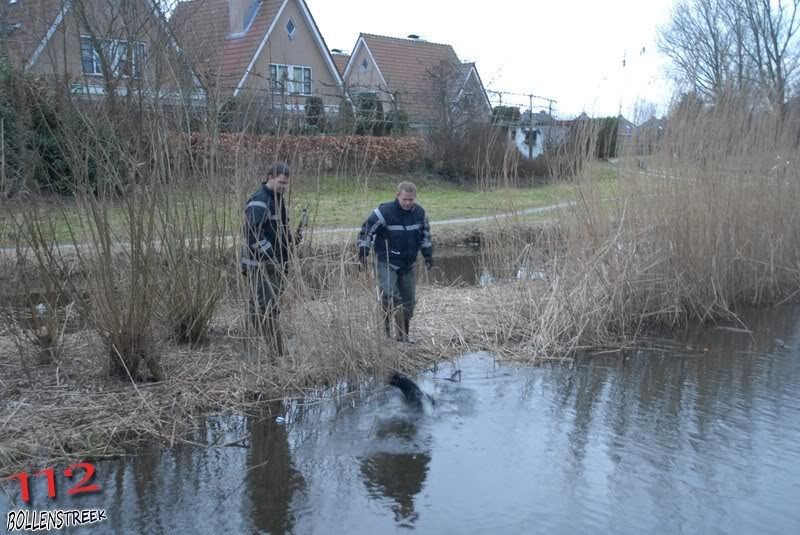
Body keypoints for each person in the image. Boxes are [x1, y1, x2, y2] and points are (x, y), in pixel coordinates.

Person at [241, 162, 304, 358]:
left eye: (286, 184)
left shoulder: (277, 199)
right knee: (263, 309)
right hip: (262, 266)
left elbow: (276, 232)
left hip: (275, 265)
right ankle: (265, 352)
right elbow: (253, 235)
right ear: (270, 178)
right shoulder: (260, 200)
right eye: (280, 182)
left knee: (268, 307)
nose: (284, 187)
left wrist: (292, 239)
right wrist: (271, 256)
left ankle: (266, 351)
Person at [357, 181, 433, 342]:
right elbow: (366, 232)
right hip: (387, 261)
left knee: (409, 303)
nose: (407, 203)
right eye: (404, 199)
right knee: (391, 296)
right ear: (397, 196)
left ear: (415, 197)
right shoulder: (383, 212)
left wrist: (427, 254)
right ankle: (385, 333)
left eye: (411, 200)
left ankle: (402, 337)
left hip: (408, 264)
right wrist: (363, 251)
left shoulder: (420, 213)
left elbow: (425, 236)